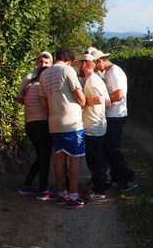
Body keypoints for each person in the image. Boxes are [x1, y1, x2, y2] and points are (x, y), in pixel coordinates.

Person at [39, 48, 87, 209]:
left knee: (59, 158)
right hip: (71, 122)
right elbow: (79, 94)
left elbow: (44, 101)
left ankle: (61, 194)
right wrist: (83, 104)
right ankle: (73, 197)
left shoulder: (44, 74)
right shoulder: (68, 70)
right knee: (75, 158)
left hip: (54, 122)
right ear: (69, 60)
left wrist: (52, 112)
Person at [93, 49, 137, 192]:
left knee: (113, 149)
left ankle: (129, 178)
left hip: (116, 115)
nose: (95, 69)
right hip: (111, 115)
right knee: (108, 149)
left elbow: (118, 95)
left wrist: (101, 100)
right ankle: (117, 178)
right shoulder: (108, 72)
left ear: (100, 61)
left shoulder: (114, 72)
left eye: (95, 65)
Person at [17, 51, 54, 198]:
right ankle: (43, 189)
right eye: (41, 62)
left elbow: (21, 98)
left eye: (46, 62)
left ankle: (27, 185)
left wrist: (30, 107)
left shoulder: (30, 81)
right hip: (42, 124)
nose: (43, 65)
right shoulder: (44, 82)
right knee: (44, 157)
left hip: (30, 124)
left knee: (42, 156)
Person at [79, 53, 111, 200]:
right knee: (98, 157)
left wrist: (83, 102)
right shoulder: (97, 79)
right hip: (100, 125)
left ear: (84, 64)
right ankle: (100, 185)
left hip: (92, 127)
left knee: (94, 160)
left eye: (80, 63)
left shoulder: (91, 81)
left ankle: (99, 190)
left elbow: (98, 99)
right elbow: (108, 102)